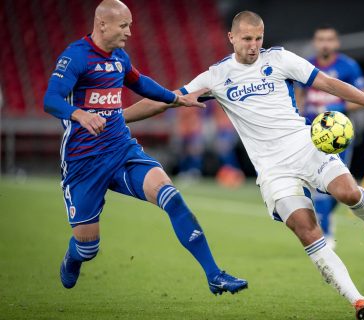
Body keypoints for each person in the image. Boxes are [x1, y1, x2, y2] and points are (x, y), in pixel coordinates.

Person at [123, 11, 364, 320]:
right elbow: (165, 99)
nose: (254, 45)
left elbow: (328, 83)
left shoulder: (281, 59)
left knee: (350, 193)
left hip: (305, 146)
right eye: (247, 39)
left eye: (258, 38)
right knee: (307, 229)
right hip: (272, 170)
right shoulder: (216, 76)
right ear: (232, 38)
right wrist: (117, 118)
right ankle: (359, 302)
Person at [43, 0, 247, 295]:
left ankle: (214, 275)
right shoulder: (76, 57)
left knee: (171, 197)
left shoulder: (119, 58)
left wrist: (175, 98)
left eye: (131, 26)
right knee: (88, 248)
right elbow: (51, 100)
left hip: (122, 149)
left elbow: (142, 84)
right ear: (102, 24)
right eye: (123, 25)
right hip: (84, 161)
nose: (129, 32)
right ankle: (74, 257)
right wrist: (80, 114)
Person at [295, 25, 364, 249]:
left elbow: (363, 97)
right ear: (315, 42)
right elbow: (299, 96)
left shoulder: (348, 66)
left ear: (336, 43)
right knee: (316, 183)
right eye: (321, 39)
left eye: (329, 39)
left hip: (338, 135)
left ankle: (326, 217)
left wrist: (336, 104)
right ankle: (324, 229)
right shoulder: (306, 66)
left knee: (337, 184)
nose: (325, 44)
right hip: (311, 132)